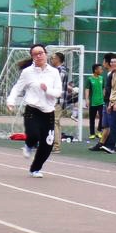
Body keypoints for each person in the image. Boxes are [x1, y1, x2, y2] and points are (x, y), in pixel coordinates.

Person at [7, 44, 63, 178]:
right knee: (33, 134)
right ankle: (28, 145)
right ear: (32, 56)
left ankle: (35, 169)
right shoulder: (27, 72)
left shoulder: (54, 72)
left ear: (46, 54)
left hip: (49, 112)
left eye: (41, 53)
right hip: (32, 110)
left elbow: (58, 92)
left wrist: (47, 90)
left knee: (47, 144)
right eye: (35, 54)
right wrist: (11, 101)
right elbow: (17, 88)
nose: (39, 56)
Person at [50, 52, 69, 154]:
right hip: (56, 100)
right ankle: (52, 143)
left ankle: (56, 146)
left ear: (57, 59)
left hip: (57, 101)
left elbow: (56, 84)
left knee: (55, 122)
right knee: (54, 122)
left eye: (53, 58)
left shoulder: (60, 71)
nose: (51, 60)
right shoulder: (59, 70)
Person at [84, 62, 104, 140]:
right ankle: (92, 133)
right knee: (92, 118)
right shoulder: (90, 79)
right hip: (93, 102)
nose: (102, 70)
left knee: (102, 116)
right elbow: (87, 89)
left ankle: (99, 131)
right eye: (100, 69)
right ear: (95, 70)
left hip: (101, 101)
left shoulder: (102, 78)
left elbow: (103, 89)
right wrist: (87, 99)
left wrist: (105, 98)